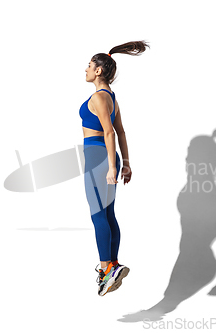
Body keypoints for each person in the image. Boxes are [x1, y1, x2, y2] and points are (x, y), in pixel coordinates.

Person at [79, 40, 150, 296]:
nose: (85, 69)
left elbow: (109, 132)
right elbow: (120, 131)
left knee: (98, 215)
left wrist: (111, 166)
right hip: (106, 158)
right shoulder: (111, 98)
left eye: (88, 65)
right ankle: (114, 265)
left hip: (98, 157)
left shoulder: (99, 97)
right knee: (108, 214)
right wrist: (125, 163)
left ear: (98, 70)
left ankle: (106, 268)